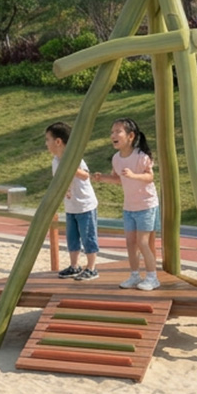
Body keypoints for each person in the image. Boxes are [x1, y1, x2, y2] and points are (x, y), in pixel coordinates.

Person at [93, 117, 160, 291]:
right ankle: (135, 276)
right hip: (129, 207)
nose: (113, 135)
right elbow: (118, 179)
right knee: (130, 243)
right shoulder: (116, 158)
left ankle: (152, 278)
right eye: (112, 132)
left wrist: (134, 175)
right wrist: (103, 178)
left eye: (118, 132)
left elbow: (150, 177)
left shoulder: (141, 156)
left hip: (146, 205)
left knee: (143, 243)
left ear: (131, 136)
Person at [43, 122, 100, 280]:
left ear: (58, 141)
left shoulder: (74, 157)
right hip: (70, 206)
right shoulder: (55, 161)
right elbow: (58, 180)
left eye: (48, 139)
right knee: (72, 237)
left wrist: (71, 168)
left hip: (85, 205)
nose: (46, 144)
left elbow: (85, 175)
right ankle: (74, 266)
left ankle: (91, 267)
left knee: (88, 236)